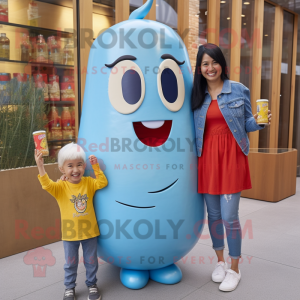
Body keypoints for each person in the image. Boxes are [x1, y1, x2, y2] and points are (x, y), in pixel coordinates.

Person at [192, 43, 271, 292]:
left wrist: (259, 122)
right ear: (200, 68)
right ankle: (220, 261)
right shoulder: (196, 94)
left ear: (221, 64)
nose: (210, 67)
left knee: (229, 217)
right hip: (206, 160)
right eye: (205, 63)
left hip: (231, 159)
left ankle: (235, 268)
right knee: (213, 216)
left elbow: (247, 120)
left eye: (214, 62)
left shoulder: (238, 89)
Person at [34, 143, 108, 300]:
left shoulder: (88, 182)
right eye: (70, 166)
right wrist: (41, 166)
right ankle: (69, 287)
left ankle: (92, 284)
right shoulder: (60, 187)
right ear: (62, 169)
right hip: (69, 234)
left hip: (90, 232)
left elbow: (102, 183)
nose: (75, 170)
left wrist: (95, 167)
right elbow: (46, 184)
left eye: (79, 165)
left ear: (84, 165)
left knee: (91, 262)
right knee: (70, 263)